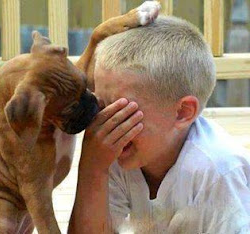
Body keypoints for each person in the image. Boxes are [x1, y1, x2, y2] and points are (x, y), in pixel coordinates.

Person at [68, 15, 250, 234]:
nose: (104, 123)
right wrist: (92, 168)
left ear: (182, 113)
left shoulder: (218, 171)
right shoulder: (117, 152)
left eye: (120, 110)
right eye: (100, 105)